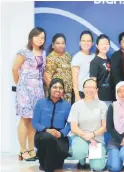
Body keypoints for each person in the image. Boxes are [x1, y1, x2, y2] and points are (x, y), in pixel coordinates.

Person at [12, 27, 46, 161]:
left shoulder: (43, 52)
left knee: (34, 120)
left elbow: (43, 72)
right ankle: (22, 150)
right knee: (24, 119)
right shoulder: (23, 52)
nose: (40, 39)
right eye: (37, 36)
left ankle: (31, 149)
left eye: (42, 37)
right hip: (25, 90)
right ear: (31, 37)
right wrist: (20, 85)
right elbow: (15, 69)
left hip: (38, 89)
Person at [68, 79, 107, 171]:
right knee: (79, 152)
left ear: (96, 90)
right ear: (83, 88)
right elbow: (73, 128)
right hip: (80, 136)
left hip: (97, 138)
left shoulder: (102, 105)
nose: (90, 90)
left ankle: (96, 159)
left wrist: (93, 135)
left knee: (98, 168)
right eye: (88, 87)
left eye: (93, 87)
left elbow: (104, 127)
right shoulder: (76, 105)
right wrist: (88, 137)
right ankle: (82, 161)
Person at [32, 78, 71, 171]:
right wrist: (46, 130)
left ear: (63, 91)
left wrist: (61, 133)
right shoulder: (40, 103)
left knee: (57, 165)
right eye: (55, 87)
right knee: (48, 138)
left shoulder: (67, 105)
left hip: (59, 136)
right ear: (49, 89)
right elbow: (35, 122)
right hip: (42, 134)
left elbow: (70, 125)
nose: (58, 90)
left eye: (60, 88)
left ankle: (49, 163)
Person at [44, 33, 72, 102]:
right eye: (58, 43)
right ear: (53, 45)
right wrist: (56, 92)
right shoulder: (51, 58)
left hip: (67, 95)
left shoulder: (67, 55)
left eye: (63, 43)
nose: (61, 45)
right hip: (56, 95)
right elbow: (46, 77)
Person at [71, 30, 95, 103]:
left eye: (88, 41)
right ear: (80, 42)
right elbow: (74, 78)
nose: (86, 43)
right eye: (83, 41)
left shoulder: (94, 56)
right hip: (80, 92)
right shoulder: (77, 57)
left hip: (91, 92)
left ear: (92, 43)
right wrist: (77, 96)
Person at [90, 34, 114, 104]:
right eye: (102, 44)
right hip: (101, 98)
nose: (104, 46)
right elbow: (92, 81)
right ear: (97, 46)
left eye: (106, 44)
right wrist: (95, 97)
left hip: (112, 96)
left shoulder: (110, 60)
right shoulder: (95, 61)